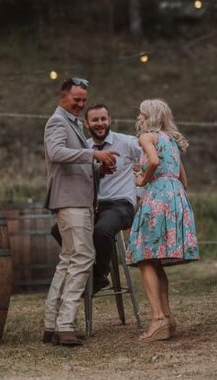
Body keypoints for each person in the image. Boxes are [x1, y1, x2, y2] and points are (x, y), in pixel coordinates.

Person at [42, 78, 119, 346]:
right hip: (70, 201)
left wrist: (99, 170)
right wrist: (93, 155)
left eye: (84, 100)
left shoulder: (71, 122)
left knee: (67, 260)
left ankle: (51, 324)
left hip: (79, 200)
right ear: (63, 96)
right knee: (83, 258)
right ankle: (65, 325)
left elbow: (73, 164)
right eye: (77, 99)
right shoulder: (56, 122)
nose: (81, 104)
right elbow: (56, 153)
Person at [126, 99, 199, 341]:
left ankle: (157, 319)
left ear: (148, 115)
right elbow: (184, 180)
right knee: (155, 260)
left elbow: (154, 162)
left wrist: (143, 179)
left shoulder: (147, 137)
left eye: (141, 112)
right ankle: (167, 318)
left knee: (145, 257)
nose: (139, 116)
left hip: (157, 197)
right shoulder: (172, 140)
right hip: (176, 196)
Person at [84, 103, 143, 293]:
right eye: (95, 120)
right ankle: (92, 268)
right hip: (93, 206)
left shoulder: (127, 142)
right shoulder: (85, 148)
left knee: (101, 231)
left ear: (110, 120)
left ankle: (100, 275)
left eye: (103, 119)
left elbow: (152, 160)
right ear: (87, 124)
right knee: (59, 229)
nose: (100, 123)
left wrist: (141, 192)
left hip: (121, 204)